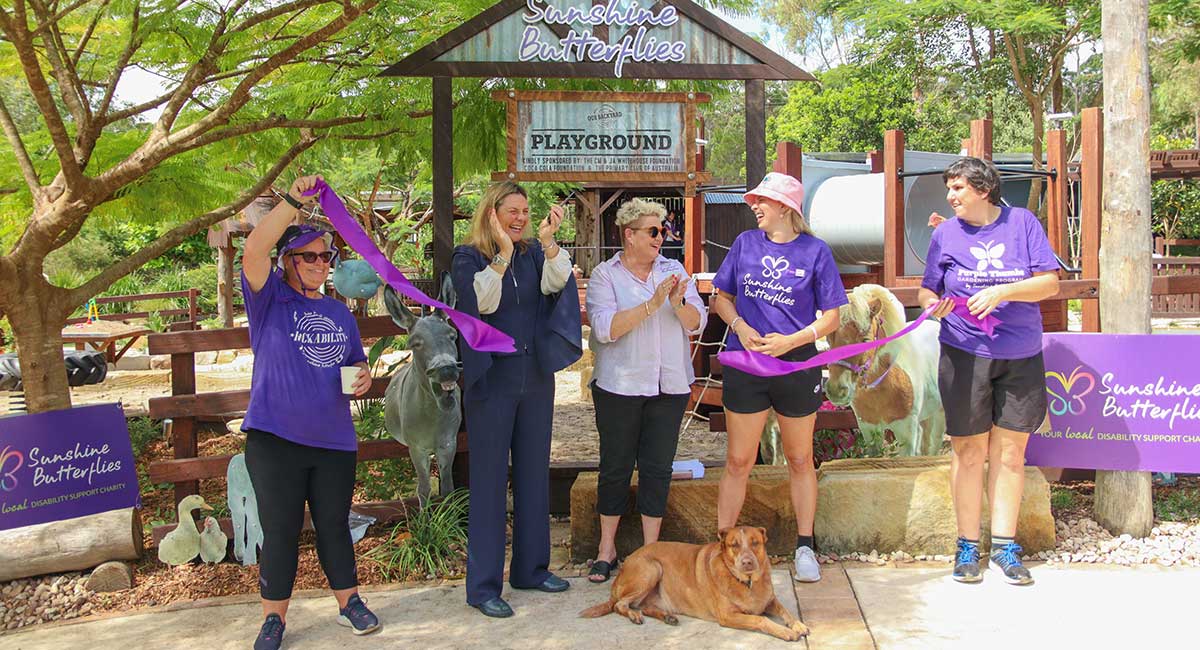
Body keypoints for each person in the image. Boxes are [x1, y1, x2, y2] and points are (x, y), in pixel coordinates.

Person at [239, 175, 379, 650]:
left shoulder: (340, 313)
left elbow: (355, 365)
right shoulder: (270, 300)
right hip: (275, 439)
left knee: (335, 526)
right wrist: (293, 202)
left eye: (327, 257)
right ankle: (274, 619)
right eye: (311, 257)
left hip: (334, 440)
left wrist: (364, 377)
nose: (322, 264)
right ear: (288, 263)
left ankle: (349, 603)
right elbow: (253, 250)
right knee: (279, 532)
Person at [918, 157, 1059, 586]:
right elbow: (928, 289)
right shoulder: (944, 234)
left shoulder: (1023, 224)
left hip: (1019, 354)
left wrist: (1003, 291)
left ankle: (1005, 546)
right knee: (968, 452)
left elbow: (1049, 283)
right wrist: (931, 306)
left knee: (1011, 452)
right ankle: (966, 547)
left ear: (983, 189)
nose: (950, 196)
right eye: (950, 188)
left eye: (958, 188)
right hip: (963, 353)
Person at [451, 181, 582, 618]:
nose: (521, 218)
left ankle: (530, 569)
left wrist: (547, 243)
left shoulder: (531, 254)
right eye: (513, 211)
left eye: (526, 211)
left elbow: (558, 281)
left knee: (532, 475)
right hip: (492, 383)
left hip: (534, 379)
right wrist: (503, 253)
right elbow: (481, 304)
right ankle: (484, 586)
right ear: (492, 213)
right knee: (488, 484)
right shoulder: (468, 257)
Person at [711, 172, 847, 583]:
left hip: (796, 367)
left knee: (801, 458)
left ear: (786, 208)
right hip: (747, 367)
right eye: (754, 199)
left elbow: (833, 318)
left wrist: (793, 341)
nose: (754, 206)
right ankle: (723, 550)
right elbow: (721, 298)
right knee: (738, 460)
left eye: (763, 201)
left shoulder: (816, 251)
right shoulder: (744, 244)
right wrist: (738, 327)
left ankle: (805, 546)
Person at [584, 198, 708, 583]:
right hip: (620, 386)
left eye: (663, 230)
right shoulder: (606, 276)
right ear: (630, 235)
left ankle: (651, 552)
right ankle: (607, 550)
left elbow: (696, 322)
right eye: (653, 231)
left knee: (657, 469)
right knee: (616, 468)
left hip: (669, 385)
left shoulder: (673, 270)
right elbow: (605, 328)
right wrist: (653, 305)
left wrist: (677, 302)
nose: (660, 238)